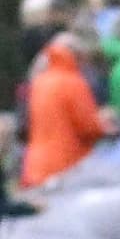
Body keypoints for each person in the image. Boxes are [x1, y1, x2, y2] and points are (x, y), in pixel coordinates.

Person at [20, 22, 109, 188]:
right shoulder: (74, 83)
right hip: (66, 166)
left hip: (34, 166)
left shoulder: (39, 81)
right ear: (77, 55)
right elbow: (89, 128)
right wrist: (107, 125)